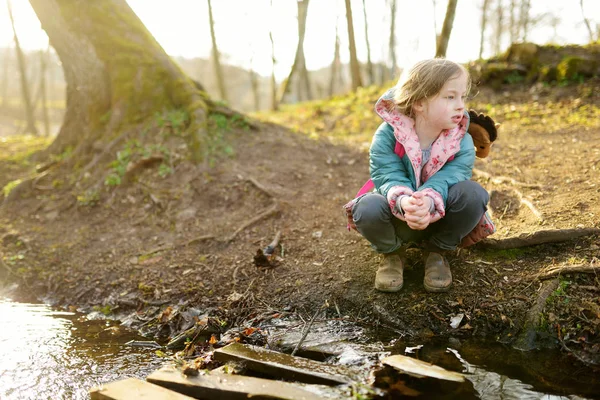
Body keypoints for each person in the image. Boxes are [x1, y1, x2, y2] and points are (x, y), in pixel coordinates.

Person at [343, 58, 495, 293]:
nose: (460, 106)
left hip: (441, 217)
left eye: (462, 97)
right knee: (366, 208)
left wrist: (429, 198)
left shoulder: (461, 139)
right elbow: (385, 174)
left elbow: (455, 174)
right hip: (398, 218)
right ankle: (392, 253)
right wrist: (405, 201)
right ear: (420, 103)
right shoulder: (387, 135)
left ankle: (437, 252)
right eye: (450, 97)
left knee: (474, 194)